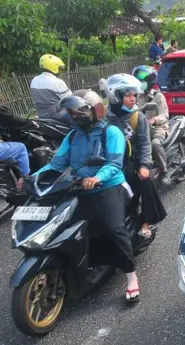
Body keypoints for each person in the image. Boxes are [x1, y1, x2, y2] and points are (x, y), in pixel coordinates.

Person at [25, 90, 141, 302]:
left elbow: (114, 164)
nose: (74, 117)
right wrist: (32, 177)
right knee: (61, 226)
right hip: (79, 188)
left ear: (95, 111)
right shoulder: (73, 135)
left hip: (109, 187)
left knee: (114, 229)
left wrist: (97, 178)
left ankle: (131, 277)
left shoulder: (111, 132)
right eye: (71, 113)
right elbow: (57, 164)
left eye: (78, 112)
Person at [103, 73, 167, 240]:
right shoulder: (104, 117)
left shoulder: (137, 116)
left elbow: (145, 143)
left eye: (134, 95)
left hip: (134, 161)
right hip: (112, 161)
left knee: (147, 182)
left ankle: (145, 222)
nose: (133, 99)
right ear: (115, 96)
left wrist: (144, 166)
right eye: (128, 95)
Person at [132, 65, 171, 186]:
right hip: (141, 129)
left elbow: (165, 116)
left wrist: (154, 119)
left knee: (154, 144)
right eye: (139, 80)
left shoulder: (158, 96)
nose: (141, 83)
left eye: (143, 80)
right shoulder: (137, 97)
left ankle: (165, 171)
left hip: (157, 128)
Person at [30, 54, 72, 125]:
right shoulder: (57, 82)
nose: (60, 70)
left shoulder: (34, 80)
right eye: (59, 68)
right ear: (54, 67)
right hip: (58, 117)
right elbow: (70, 100)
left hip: (42, 117)